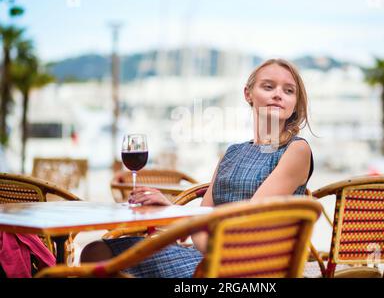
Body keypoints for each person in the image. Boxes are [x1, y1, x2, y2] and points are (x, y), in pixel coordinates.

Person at [80, 58, 314, 277]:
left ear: (294, 104)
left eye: (288, 90)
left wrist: (196, 232)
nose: (278, 95)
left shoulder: (296, 150)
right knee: (96, 250)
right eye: (268, 86)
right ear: (248, 94)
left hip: (247, 266)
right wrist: (170, 209)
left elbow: (246, 225)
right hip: (206, 253)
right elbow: (203, 215)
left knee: (104, 256)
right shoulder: (233, 152)